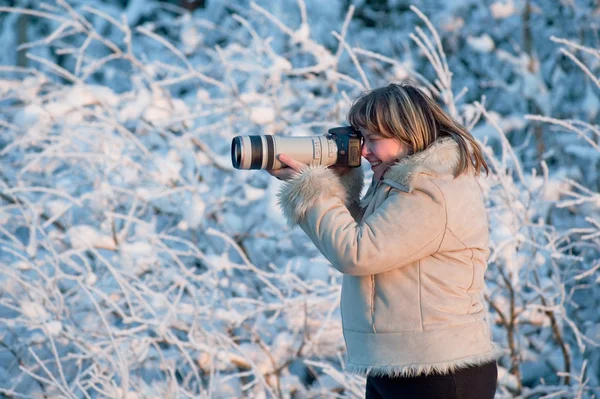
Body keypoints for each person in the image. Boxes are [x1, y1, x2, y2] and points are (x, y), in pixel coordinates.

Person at [268, 82, 501, 398]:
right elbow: (363, 237)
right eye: (362, 139)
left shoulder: (432, 190)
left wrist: (310, 188)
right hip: (397, 366)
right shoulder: (399, 184)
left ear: (409, 136)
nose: (364, 151)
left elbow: (356, 254)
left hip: (438, 372)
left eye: (374, 140)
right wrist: (333, 183)